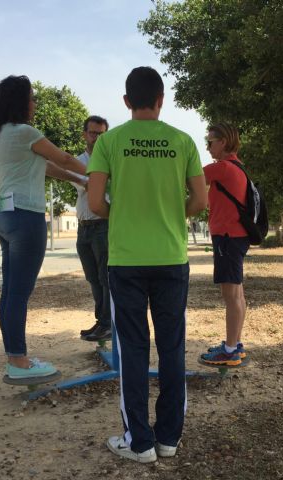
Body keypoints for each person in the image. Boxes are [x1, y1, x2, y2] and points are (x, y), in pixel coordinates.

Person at [87, 66, 207, 463]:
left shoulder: (109, 142)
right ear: (161, 100)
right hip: (172, 258)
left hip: (126, 261)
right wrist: (174, 213)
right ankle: (169, 439)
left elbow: (94, 203)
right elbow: (200, 201)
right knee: (173, 348)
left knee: (134, 349)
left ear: (126, 101)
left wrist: (121, 215)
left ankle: (139, 443)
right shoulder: (183, 141)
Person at [0, 75, 87, 380]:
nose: (34, 103)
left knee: (10, 292)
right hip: (25, 217)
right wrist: (102, 172)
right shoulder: (26, 132)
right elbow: (66, 158)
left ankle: (14, 357)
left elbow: (49, 167)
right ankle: (19, 363)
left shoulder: (1, 134)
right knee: (19, 294)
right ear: (21, 102)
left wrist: (83, 180)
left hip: (3, 215)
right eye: (32, 98)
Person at [199, 123, 250, 367]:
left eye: (210, 142)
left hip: (228, 238)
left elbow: (190, 177)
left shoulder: (222, 168)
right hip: (236, 237)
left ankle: (229, 350)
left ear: (223, 142)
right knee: (237, 293)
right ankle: (235, 344)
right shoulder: (238, 167)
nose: (208, 147)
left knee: (230, 295)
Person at [71, 115, 112, 341]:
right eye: (93, 133)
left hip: (103, 225)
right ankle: (101, 322)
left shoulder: (111, 161)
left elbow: (94, 188)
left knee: (105, 277)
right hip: (84, 227)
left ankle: (107, 323)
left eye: (101, 134)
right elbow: (85, 184)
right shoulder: (79, 161)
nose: (96, 138)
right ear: (84, 134)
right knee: (93, 278)